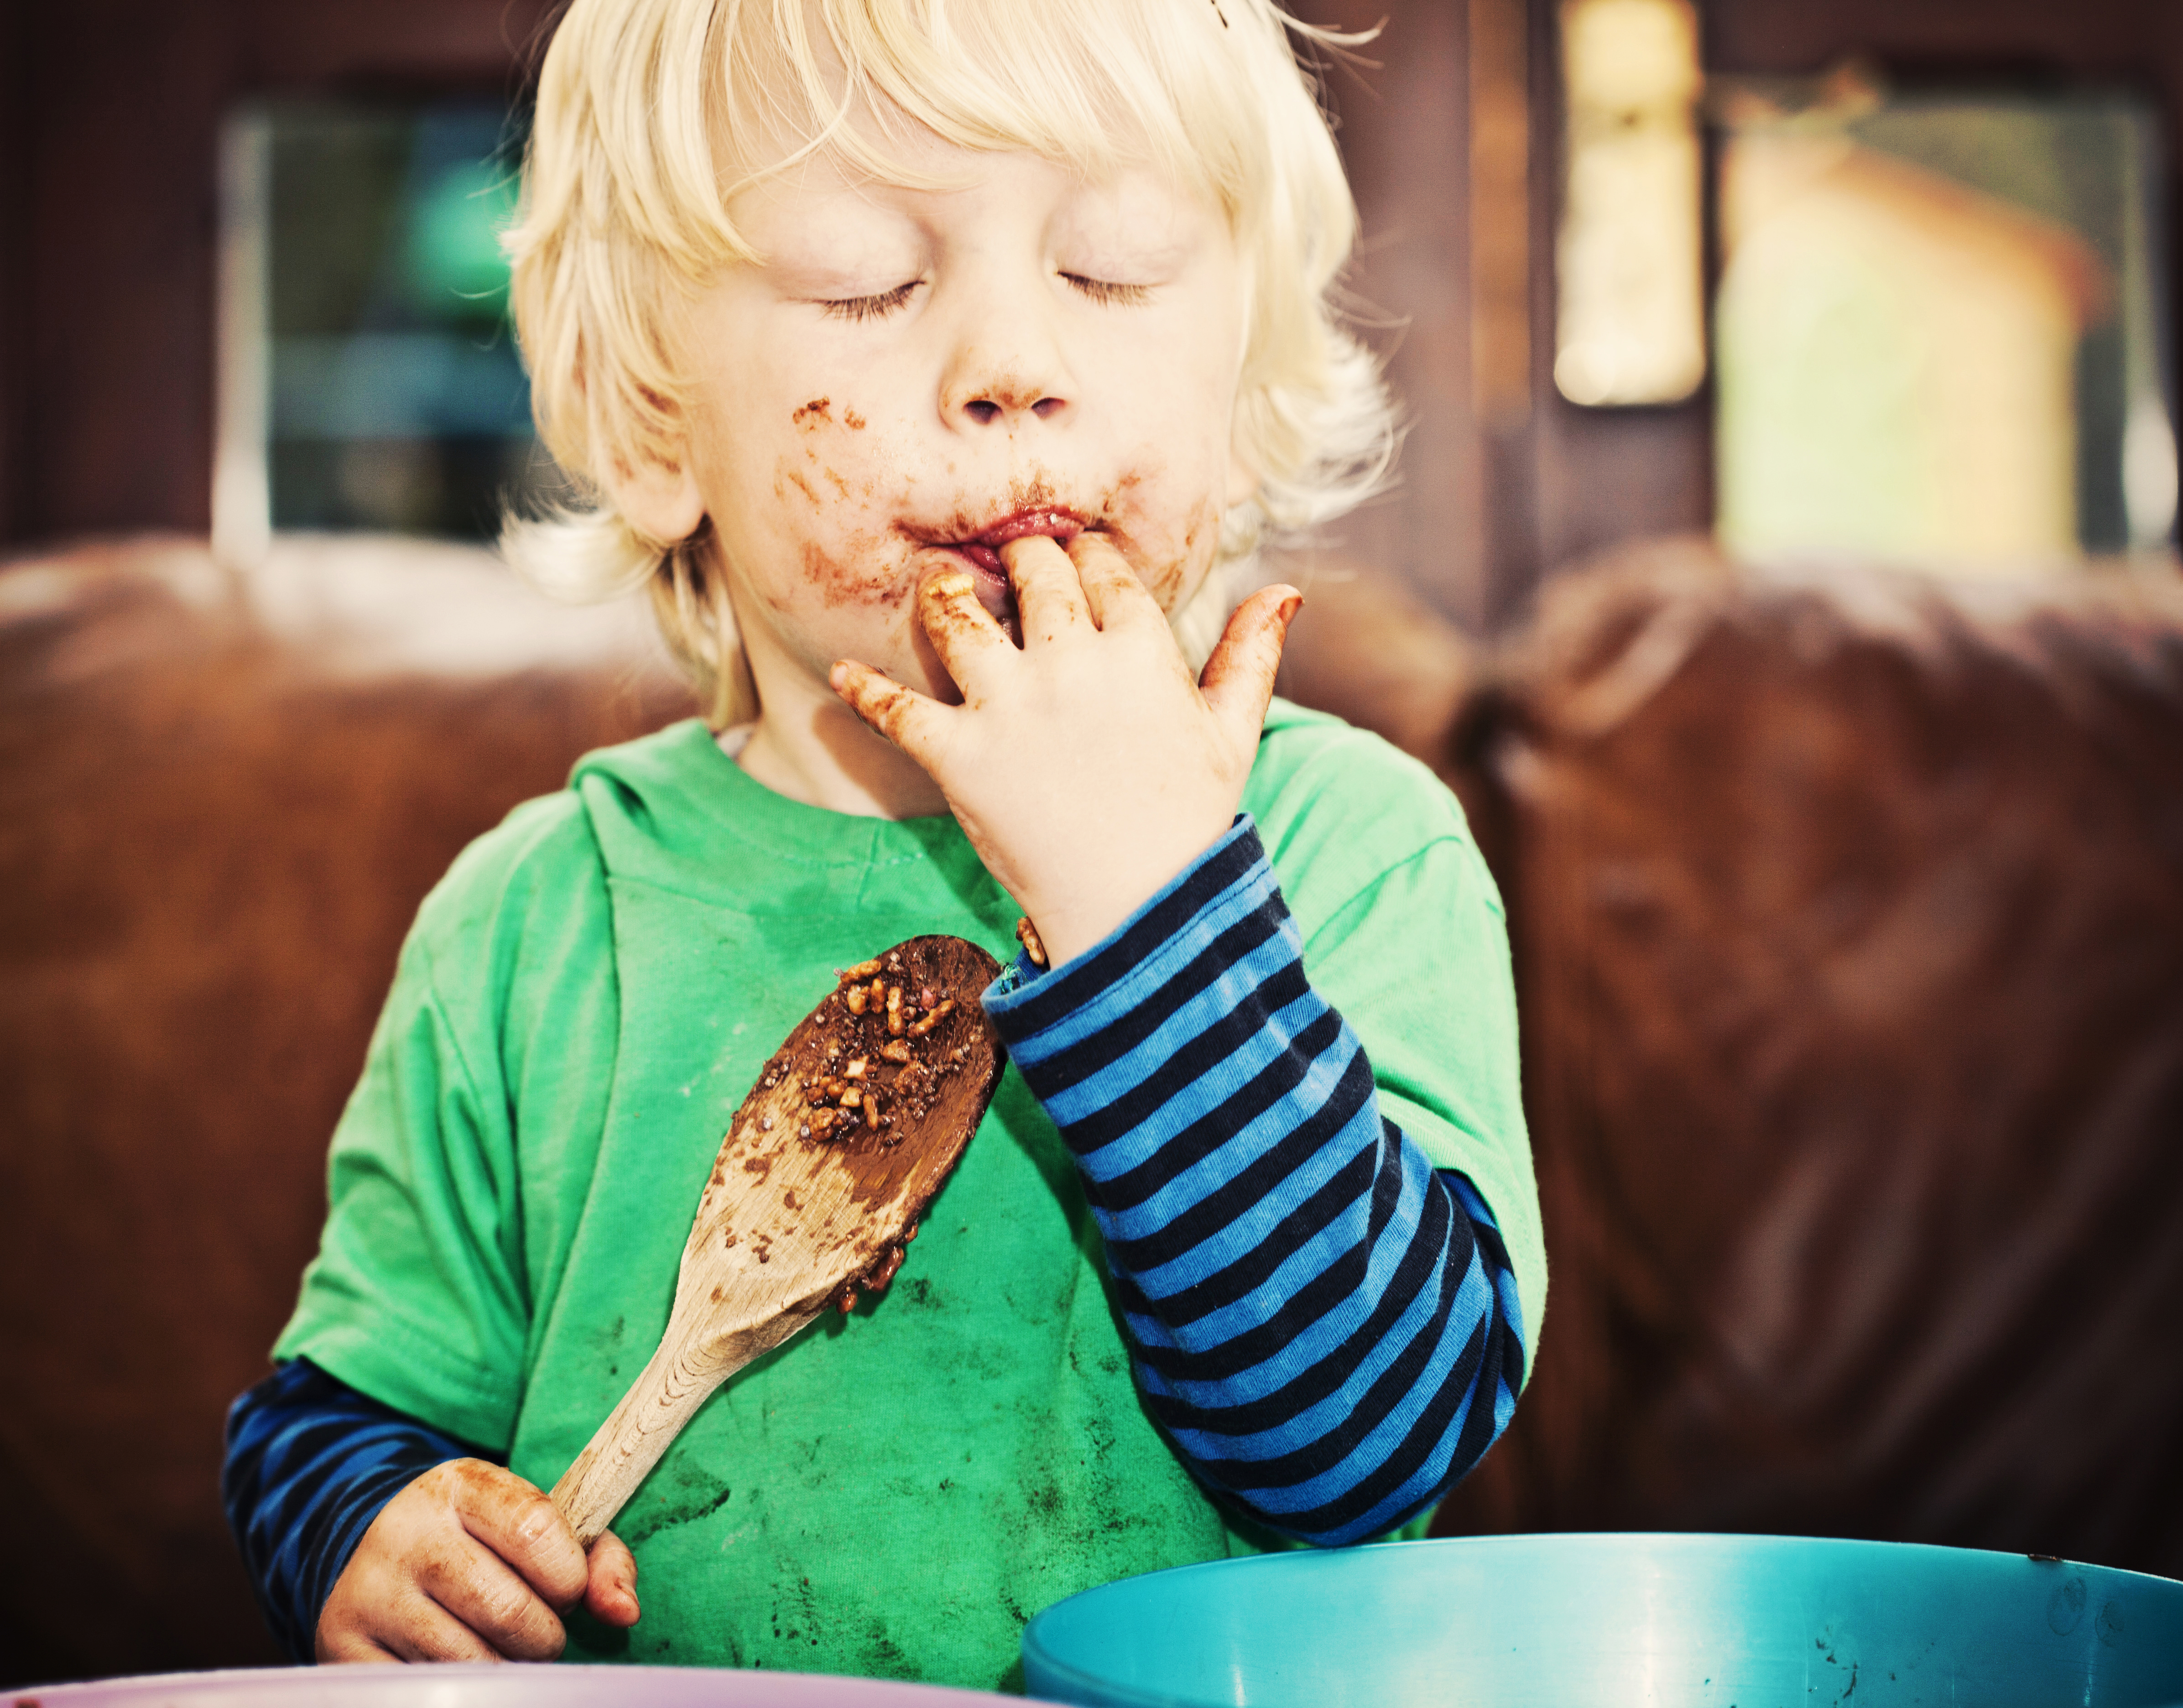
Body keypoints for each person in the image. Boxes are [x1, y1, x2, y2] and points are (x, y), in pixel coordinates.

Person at [223, 0, 1544, 1685]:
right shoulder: (536, 925)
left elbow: (1368, 1441)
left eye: (1117, 269)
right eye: (865, 279)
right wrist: (373, 1532)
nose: (1011, 361)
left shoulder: (1355, 854)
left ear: (1243, 383)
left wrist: (1153, 914)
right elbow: (329, 1416)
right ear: (652, 420)